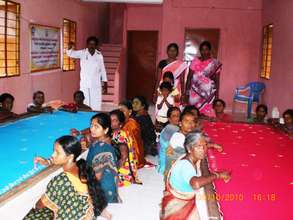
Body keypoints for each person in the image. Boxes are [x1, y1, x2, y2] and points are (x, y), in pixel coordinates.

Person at [26, 135, 111, 220]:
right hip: (88, 215)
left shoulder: (61, 180)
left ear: (70, 157)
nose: (52, 155)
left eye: (57, 152)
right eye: (53, 151)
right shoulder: (81, 166)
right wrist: (47, 161)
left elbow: (40, 205)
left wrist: (35, 209)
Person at [160, 131, 231, 220]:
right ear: (189, 149)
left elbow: (201, 145)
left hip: (180, 200)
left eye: (204, 146)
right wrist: (218, 175)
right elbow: (196, 183)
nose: (203, 149)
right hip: (177, 207)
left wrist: (212, 145)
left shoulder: (190, 156)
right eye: (198, 147)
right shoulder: (186, 166)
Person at [66, 36, 107, 111]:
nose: (91, 46)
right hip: (85, 84)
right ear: (87, 45)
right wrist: (69, 47)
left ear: (96, 45)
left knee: (96, 102)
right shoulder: (82, 53)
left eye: (93, 44)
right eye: (90, 44)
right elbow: (71, 54)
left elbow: (102, 69)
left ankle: (95, 116)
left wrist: (105, 83)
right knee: (85, 102)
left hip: (96, 84)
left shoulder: (99, 55)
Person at [86, 113, 119, 203]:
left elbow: (97, 177)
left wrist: (84, 190)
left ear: (106, 130)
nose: (92, 129)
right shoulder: (104, 140)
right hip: (108, 185)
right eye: (91, 125)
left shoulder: (102, 148)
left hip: (103, 191)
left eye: (96, 127)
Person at [185, 41, 222, 116]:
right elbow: (189, 77)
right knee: (194, 113)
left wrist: (217, 95)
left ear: (209, 50)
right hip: (194, 93)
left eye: (206, 49)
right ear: (200, 50)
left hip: (208, 93)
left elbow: (217, 81)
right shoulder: (195, 61)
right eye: (202, 49)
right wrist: (187, 92)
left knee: (207, 113)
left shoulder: (214, 63)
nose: (204, 52)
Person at [110, 109, 141, 187]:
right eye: (110, 120)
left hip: (124, 172)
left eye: (114, 120)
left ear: (120, 124)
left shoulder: (120, 136)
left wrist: (113, 171)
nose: (111, 122)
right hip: (129, 169)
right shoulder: (121, 132)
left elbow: (123, 157)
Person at [118, 100, 146, 168]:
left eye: (123, 111)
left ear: (130, 112)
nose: (120, 114)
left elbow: (132, 145)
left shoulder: (132, 125)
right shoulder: (121, 122)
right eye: (119, 112)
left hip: (134, 155)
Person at [157, 107, 180, 175]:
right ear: (169, 119)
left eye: (178, 115)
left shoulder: (176, 127)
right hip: (167, 161)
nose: (177, 118)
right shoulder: (169, 129)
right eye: (174, 116)